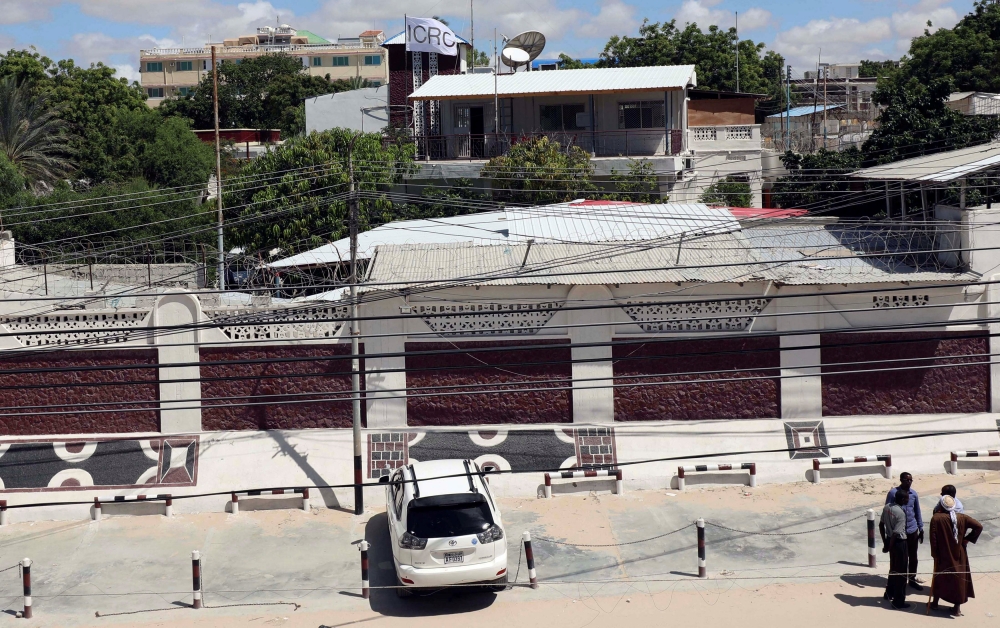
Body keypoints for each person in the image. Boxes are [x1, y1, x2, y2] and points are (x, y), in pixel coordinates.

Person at [929, 495, 983, 616]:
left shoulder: (936, 518)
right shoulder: (962, 517)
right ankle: (956, 609)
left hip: (943, 554)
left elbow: (933, 539)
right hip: (959, 553)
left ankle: (935, 603)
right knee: (958, 579)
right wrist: (967, 539)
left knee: (939, 578)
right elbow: (979, 526)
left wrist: (935, 554)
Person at [886, 472, 924, 590]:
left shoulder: (914, 494)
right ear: (901, 480)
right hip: (898, 533)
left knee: (913, 557)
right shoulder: (893, 493)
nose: (909, 482)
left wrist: (921, 528)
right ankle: (894, 583)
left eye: (911, 480)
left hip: (912, 530)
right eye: (907, 480)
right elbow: (888, 511)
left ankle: (912, 579)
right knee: (897, 559)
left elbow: (917, 511)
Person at [880, 488, 912, 609]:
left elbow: (881, 524)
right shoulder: (901, 513)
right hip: (899, 543)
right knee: (902, 572)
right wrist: (890, 546)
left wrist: (885, 544)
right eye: (907, 499)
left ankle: (889, 593)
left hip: (890, 541)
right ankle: (899, 601)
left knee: (893, 568)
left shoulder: (887, 507)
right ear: (903, 499)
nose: (908, 500)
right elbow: (896, 533)